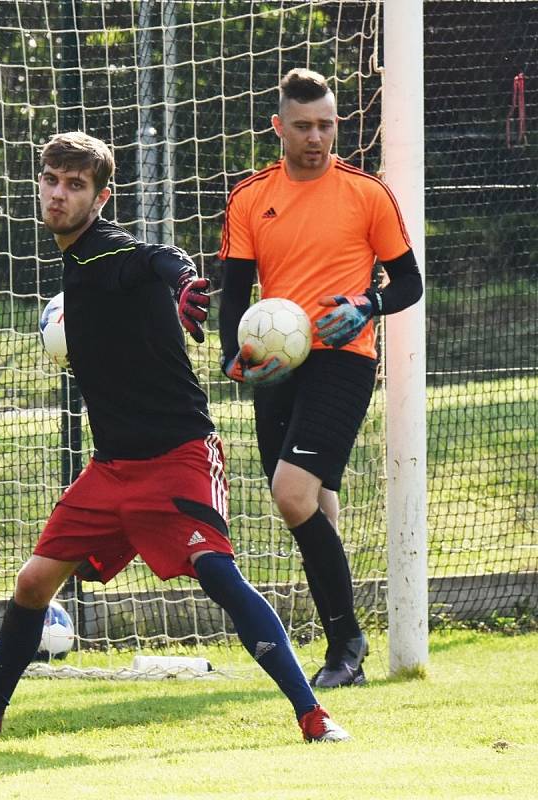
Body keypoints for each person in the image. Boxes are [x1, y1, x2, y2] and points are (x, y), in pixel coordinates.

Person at [0, 131, 349, 743]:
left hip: (179, 455)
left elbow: (156, 255)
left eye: (76, 186)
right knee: (32, 582)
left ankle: (314, 715)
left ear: (102, 197)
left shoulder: (106, 250)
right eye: (52, 180)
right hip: (112, 468)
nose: (58, 194)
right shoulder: (75, 258)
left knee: (218, 575)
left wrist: (182, 283)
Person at [218, 69, 423, 688]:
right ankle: (345, 651)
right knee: (314, 504)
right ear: (279, 127)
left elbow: (408, 283)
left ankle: (346, 647)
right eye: (303, 125)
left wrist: (367, 306)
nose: (317, 136)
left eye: (327, 124)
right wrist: (234, 354)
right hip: (278, 364)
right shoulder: (251, 196)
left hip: (345, 358)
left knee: (291, 492)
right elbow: (233, 293)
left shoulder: (368, 194)